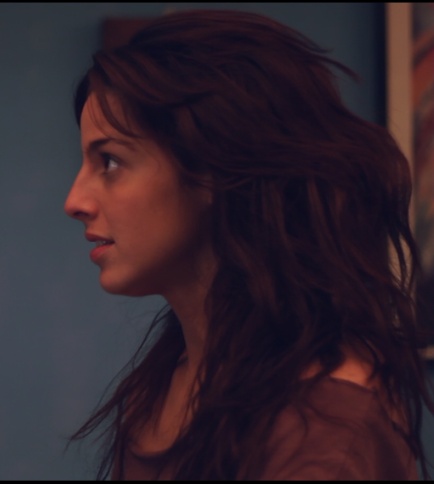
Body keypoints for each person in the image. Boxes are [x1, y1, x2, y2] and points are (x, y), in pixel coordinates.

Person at [63, 9, 434, 480]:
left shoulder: (322, 427)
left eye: (111, 162)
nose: (74, 201)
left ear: (213, 169)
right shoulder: (161, 385)